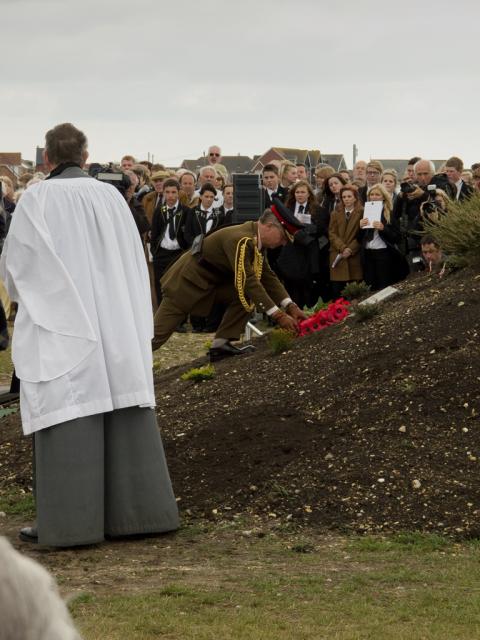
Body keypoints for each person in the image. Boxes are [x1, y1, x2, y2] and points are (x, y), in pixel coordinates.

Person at [0, 123, 179, 547]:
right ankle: (137, 513)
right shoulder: (112, 198)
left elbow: (20, 266)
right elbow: (135, 262)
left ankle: (70, 521)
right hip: (115, 323)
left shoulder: (37, 199)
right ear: (85, 156)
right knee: (121, 404)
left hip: (67, 326)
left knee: (70, 407)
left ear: (46, 159)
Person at [152, 208, 307, 361]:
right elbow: (249, 281)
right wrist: (278, 315)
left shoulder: (254, 239)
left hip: (208, 284)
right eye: (282, 237)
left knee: (245, 296)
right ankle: (131, 363)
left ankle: (221, 344)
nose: (283, 243)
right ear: (269, 227)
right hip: (186, 285)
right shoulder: (242, 240)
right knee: (156, 337)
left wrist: (290, 305)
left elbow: (268, 276)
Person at [359, 183, 409, 291]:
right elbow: (359, 238)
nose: (374, 197)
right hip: (367, 253)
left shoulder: (389, 213)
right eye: (372, 194)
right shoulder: (364, 212)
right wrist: (360, 227)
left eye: (377, 194)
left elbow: (397, 237)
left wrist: (384, 228)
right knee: (370, 285)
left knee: (383, 284)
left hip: (383, 253)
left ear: (383, 197)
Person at [150, 177, 191, 307]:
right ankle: (161, 315)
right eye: (167, 192)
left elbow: (188, 234)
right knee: (160, 285)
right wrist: (154, 252)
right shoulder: (159, 211)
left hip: (178, 254)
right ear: (163, 193)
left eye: (173, 192)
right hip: (161, 254)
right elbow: (154, 233)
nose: (170, 196)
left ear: (178, 193)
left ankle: (180, 319)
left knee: (179, 286)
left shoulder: (186, 211)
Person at [328, 185, 363, 298]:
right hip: (338, 254)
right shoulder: (335, 213)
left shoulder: (362, 212)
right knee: (338, 292)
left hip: (354, 255)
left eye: (349, 196)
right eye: (344, 197)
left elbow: (362, 234)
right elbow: (331, 233)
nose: (346, 199)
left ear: (355, 198)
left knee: (354, 292)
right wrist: (343, 248)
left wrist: (351, 249)